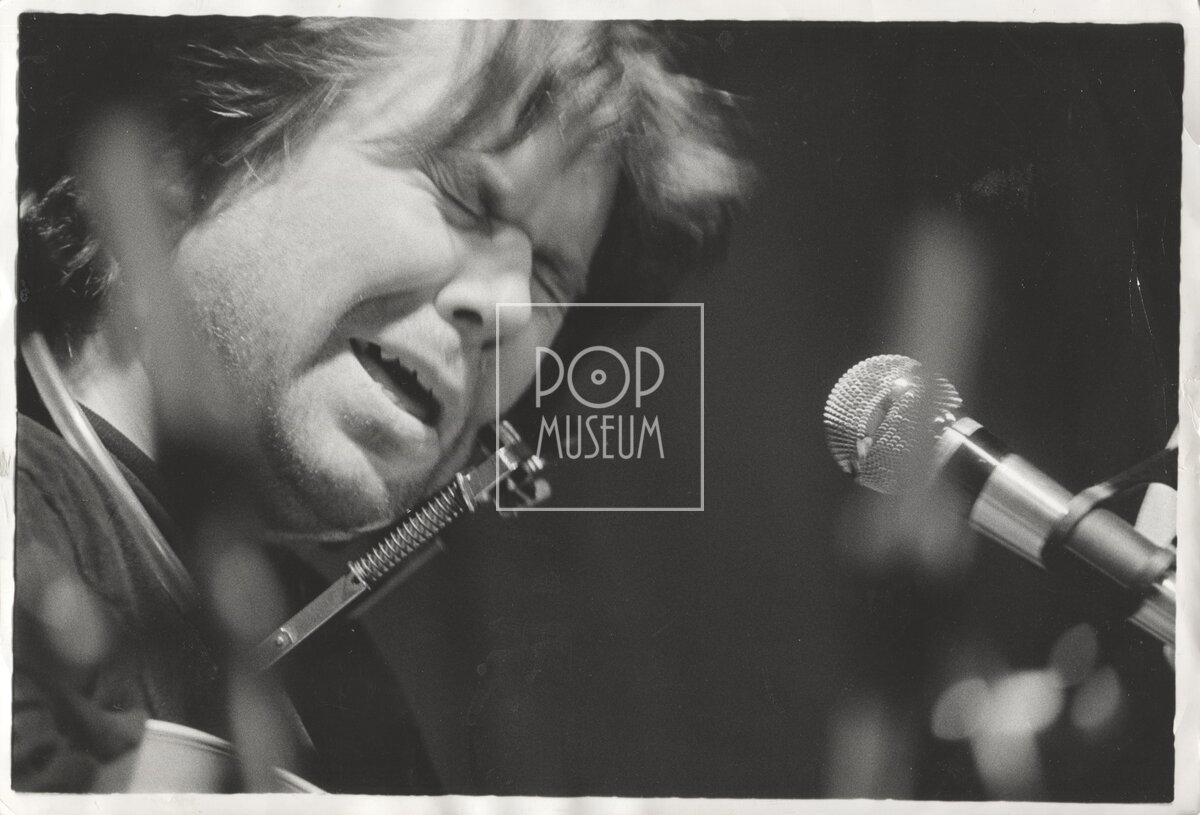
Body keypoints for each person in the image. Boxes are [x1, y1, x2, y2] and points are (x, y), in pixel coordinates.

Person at [14, 16, 749, 793]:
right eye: (465, 197)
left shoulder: (343, 701)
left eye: (549, 279)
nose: (508, 310)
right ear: (182, 149)